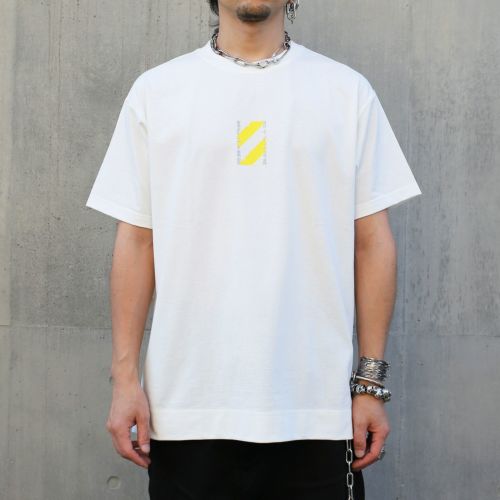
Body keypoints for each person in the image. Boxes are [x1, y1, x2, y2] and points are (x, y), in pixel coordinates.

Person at [85, 1, 422, 498]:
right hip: (186, 409)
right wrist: (124, 380)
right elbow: (137, 241)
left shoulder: (346, 92)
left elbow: (372, 244)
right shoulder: (157, 92)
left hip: (314, 411)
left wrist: (369, 385)